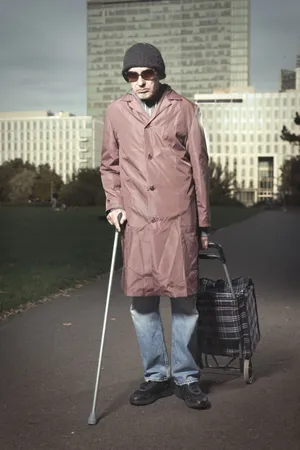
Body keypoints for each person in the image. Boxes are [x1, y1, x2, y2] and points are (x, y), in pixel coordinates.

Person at [100, 43, 211, 410]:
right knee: (143, 304)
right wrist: (114, 204)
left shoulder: (185, 110)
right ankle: (156, 376)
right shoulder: (116, 112)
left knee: (184, 303)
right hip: (139, 224)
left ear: (159, 74)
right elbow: (109, 166)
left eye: (147, 74)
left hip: (179, 220)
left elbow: (200, 168)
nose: (140, 82)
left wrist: (204, 223)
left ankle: (186, 377)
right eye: (132, 75)